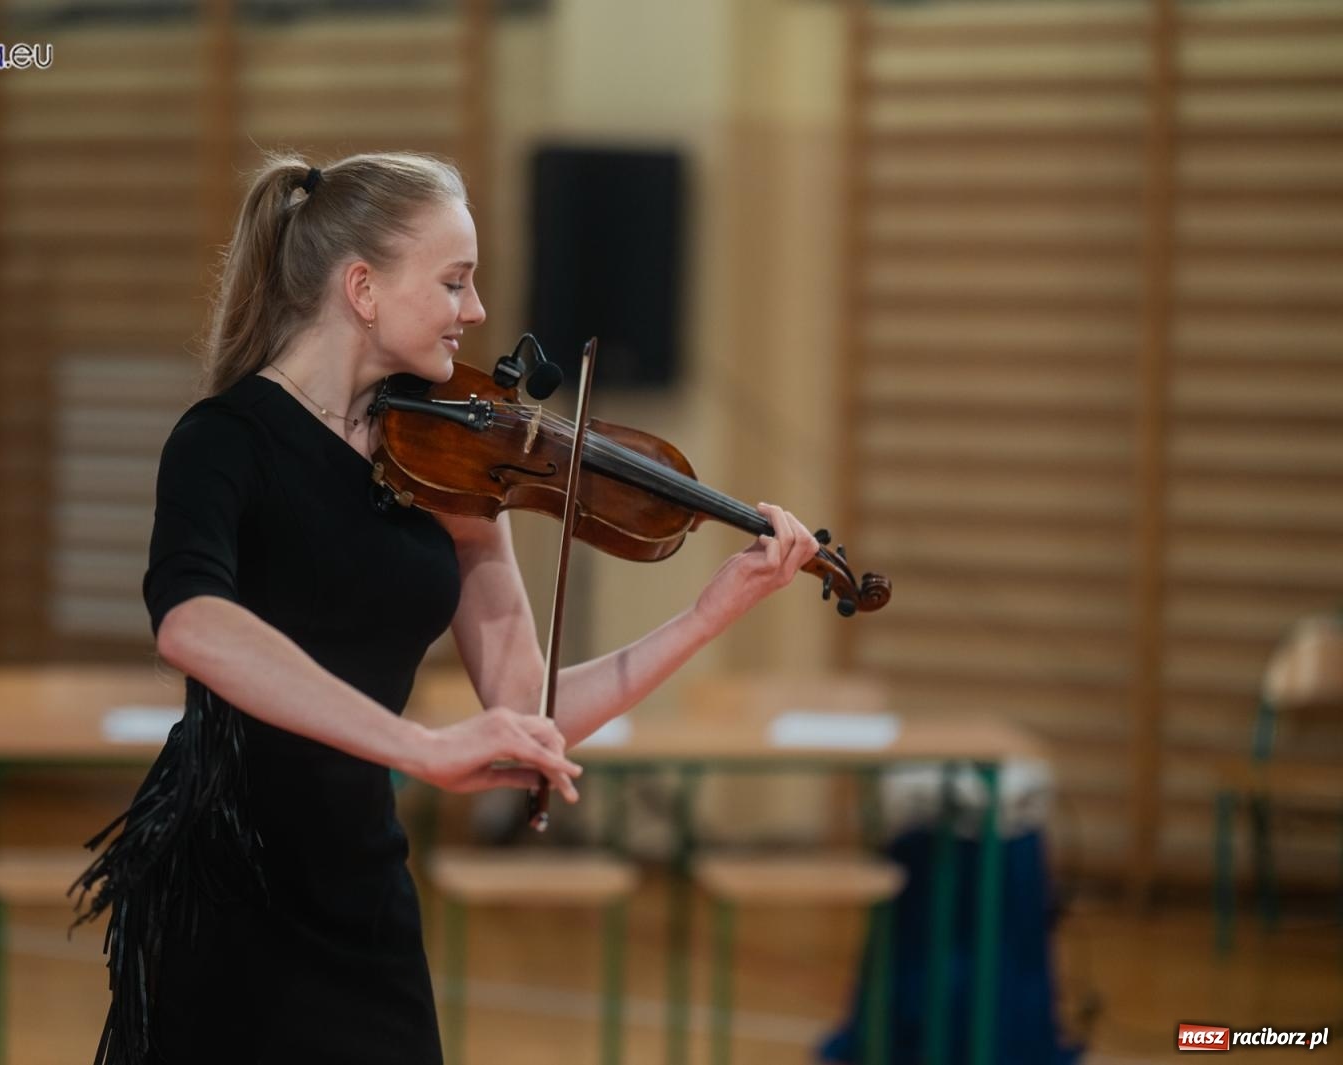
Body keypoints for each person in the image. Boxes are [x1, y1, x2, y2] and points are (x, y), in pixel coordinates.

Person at [72, 150, 822, 1065]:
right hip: (225, 878)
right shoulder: (223, 441)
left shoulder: (448, 463)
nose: (475, 311)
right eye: (455, 282)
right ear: (363, 289)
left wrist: (710, 613)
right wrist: (419, 748)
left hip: (361, 884)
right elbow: (191, 624)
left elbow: (523, 704)